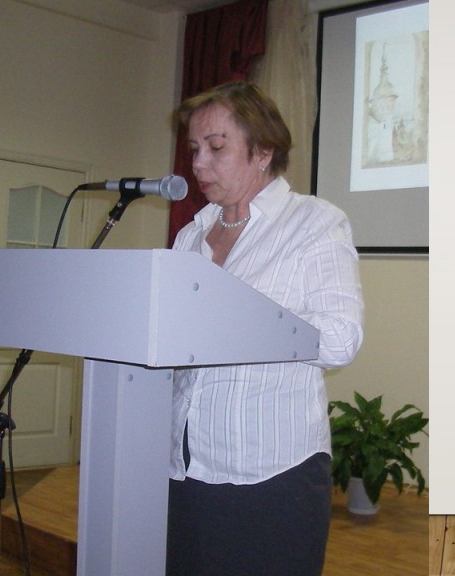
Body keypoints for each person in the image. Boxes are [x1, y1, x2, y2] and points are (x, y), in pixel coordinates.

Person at [166, 81, 364, 576]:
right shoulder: (191, 234)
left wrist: (233, 319)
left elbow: (341, 338)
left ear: (263, 152)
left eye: (216, 147)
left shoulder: (315, 223)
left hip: (271, 471)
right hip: (185, 463)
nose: (198, 164)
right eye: (194, 148)